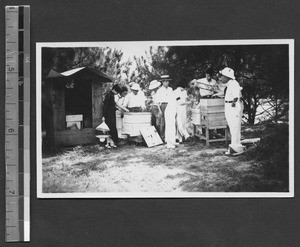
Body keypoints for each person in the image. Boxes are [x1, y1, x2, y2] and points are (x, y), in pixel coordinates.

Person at [219, 67, 245, 156]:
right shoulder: (230, 84)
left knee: (234, 128)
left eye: (222, 76)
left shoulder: (233, 83)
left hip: (232, 107)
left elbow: (236, 96)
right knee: (233, 128)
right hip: (229, 105)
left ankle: (235, 148)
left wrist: (233, 104)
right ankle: (237, 147)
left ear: (227, 76)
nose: (220, 78)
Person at [155, 75, 173, 141]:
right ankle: (162, 138)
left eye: (168, 81)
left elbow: (172, 98)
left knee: (169, 122)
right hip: (163, 105)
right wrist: (160, 110)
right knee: (162, 123)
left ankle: (169, 137)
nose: (167, 83)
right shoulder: (159, 90)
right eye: (165, 81)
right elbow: (157, 101)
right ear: (162, 82)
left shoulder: (170, 89)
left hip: (169, 105)